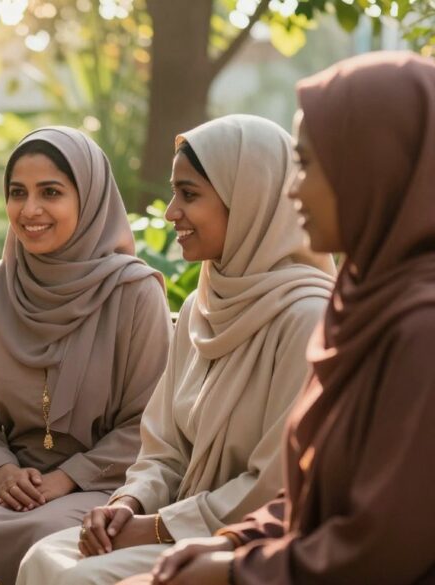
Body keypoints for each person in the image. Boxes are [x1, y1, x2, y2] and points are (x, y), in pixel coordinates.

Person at [120, 51, 435, 585]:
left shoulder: (419, 332)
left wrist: (232, 568)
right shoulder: (360, 306)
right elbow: (306, 496)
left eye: (309, 164)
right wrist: (231, 543)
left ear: (374, 168)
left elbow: (381, 549)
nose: (290, 189)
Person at [17, 114, 335, 585]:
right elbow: (164, 448)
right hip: (172, 523)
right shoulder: (200, 308)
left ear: (246, 199)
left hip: (244, 543)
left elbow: (277, 484)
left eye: (189, 195)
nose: (169, 212)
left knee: (79, 579)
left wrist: (162, 527)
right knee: (43, 558)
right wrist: (128, 505)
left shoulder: (307, 318)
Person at [0, 126, 171, 585]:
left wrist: (67, 477)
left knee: (47, 534)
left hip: (106, 483)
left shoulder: (134, 294)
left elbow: (150, 421)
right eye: (17, 193)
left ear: (89, 199)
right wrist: (3, 471)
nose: (29, 210)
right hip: (2, 483)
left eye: (51, 192)